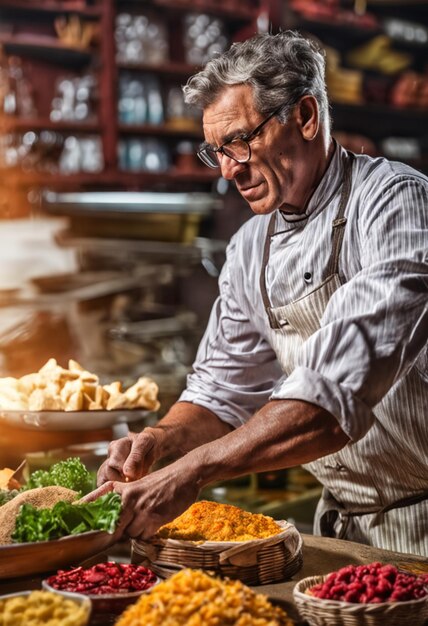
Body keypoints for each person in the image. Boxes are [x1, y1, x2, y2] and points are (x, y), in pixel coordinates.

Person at [87, 31, 428, 556]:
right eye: (217, 151)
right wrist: (159, 442)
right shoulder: (250, 247)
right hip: (343, 530)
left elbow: (331, 400)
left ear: (307, 116)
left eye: (241, 141)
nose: (228, 169)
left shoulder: (394, 204)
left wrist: (193, 471)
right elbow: (220, 393)